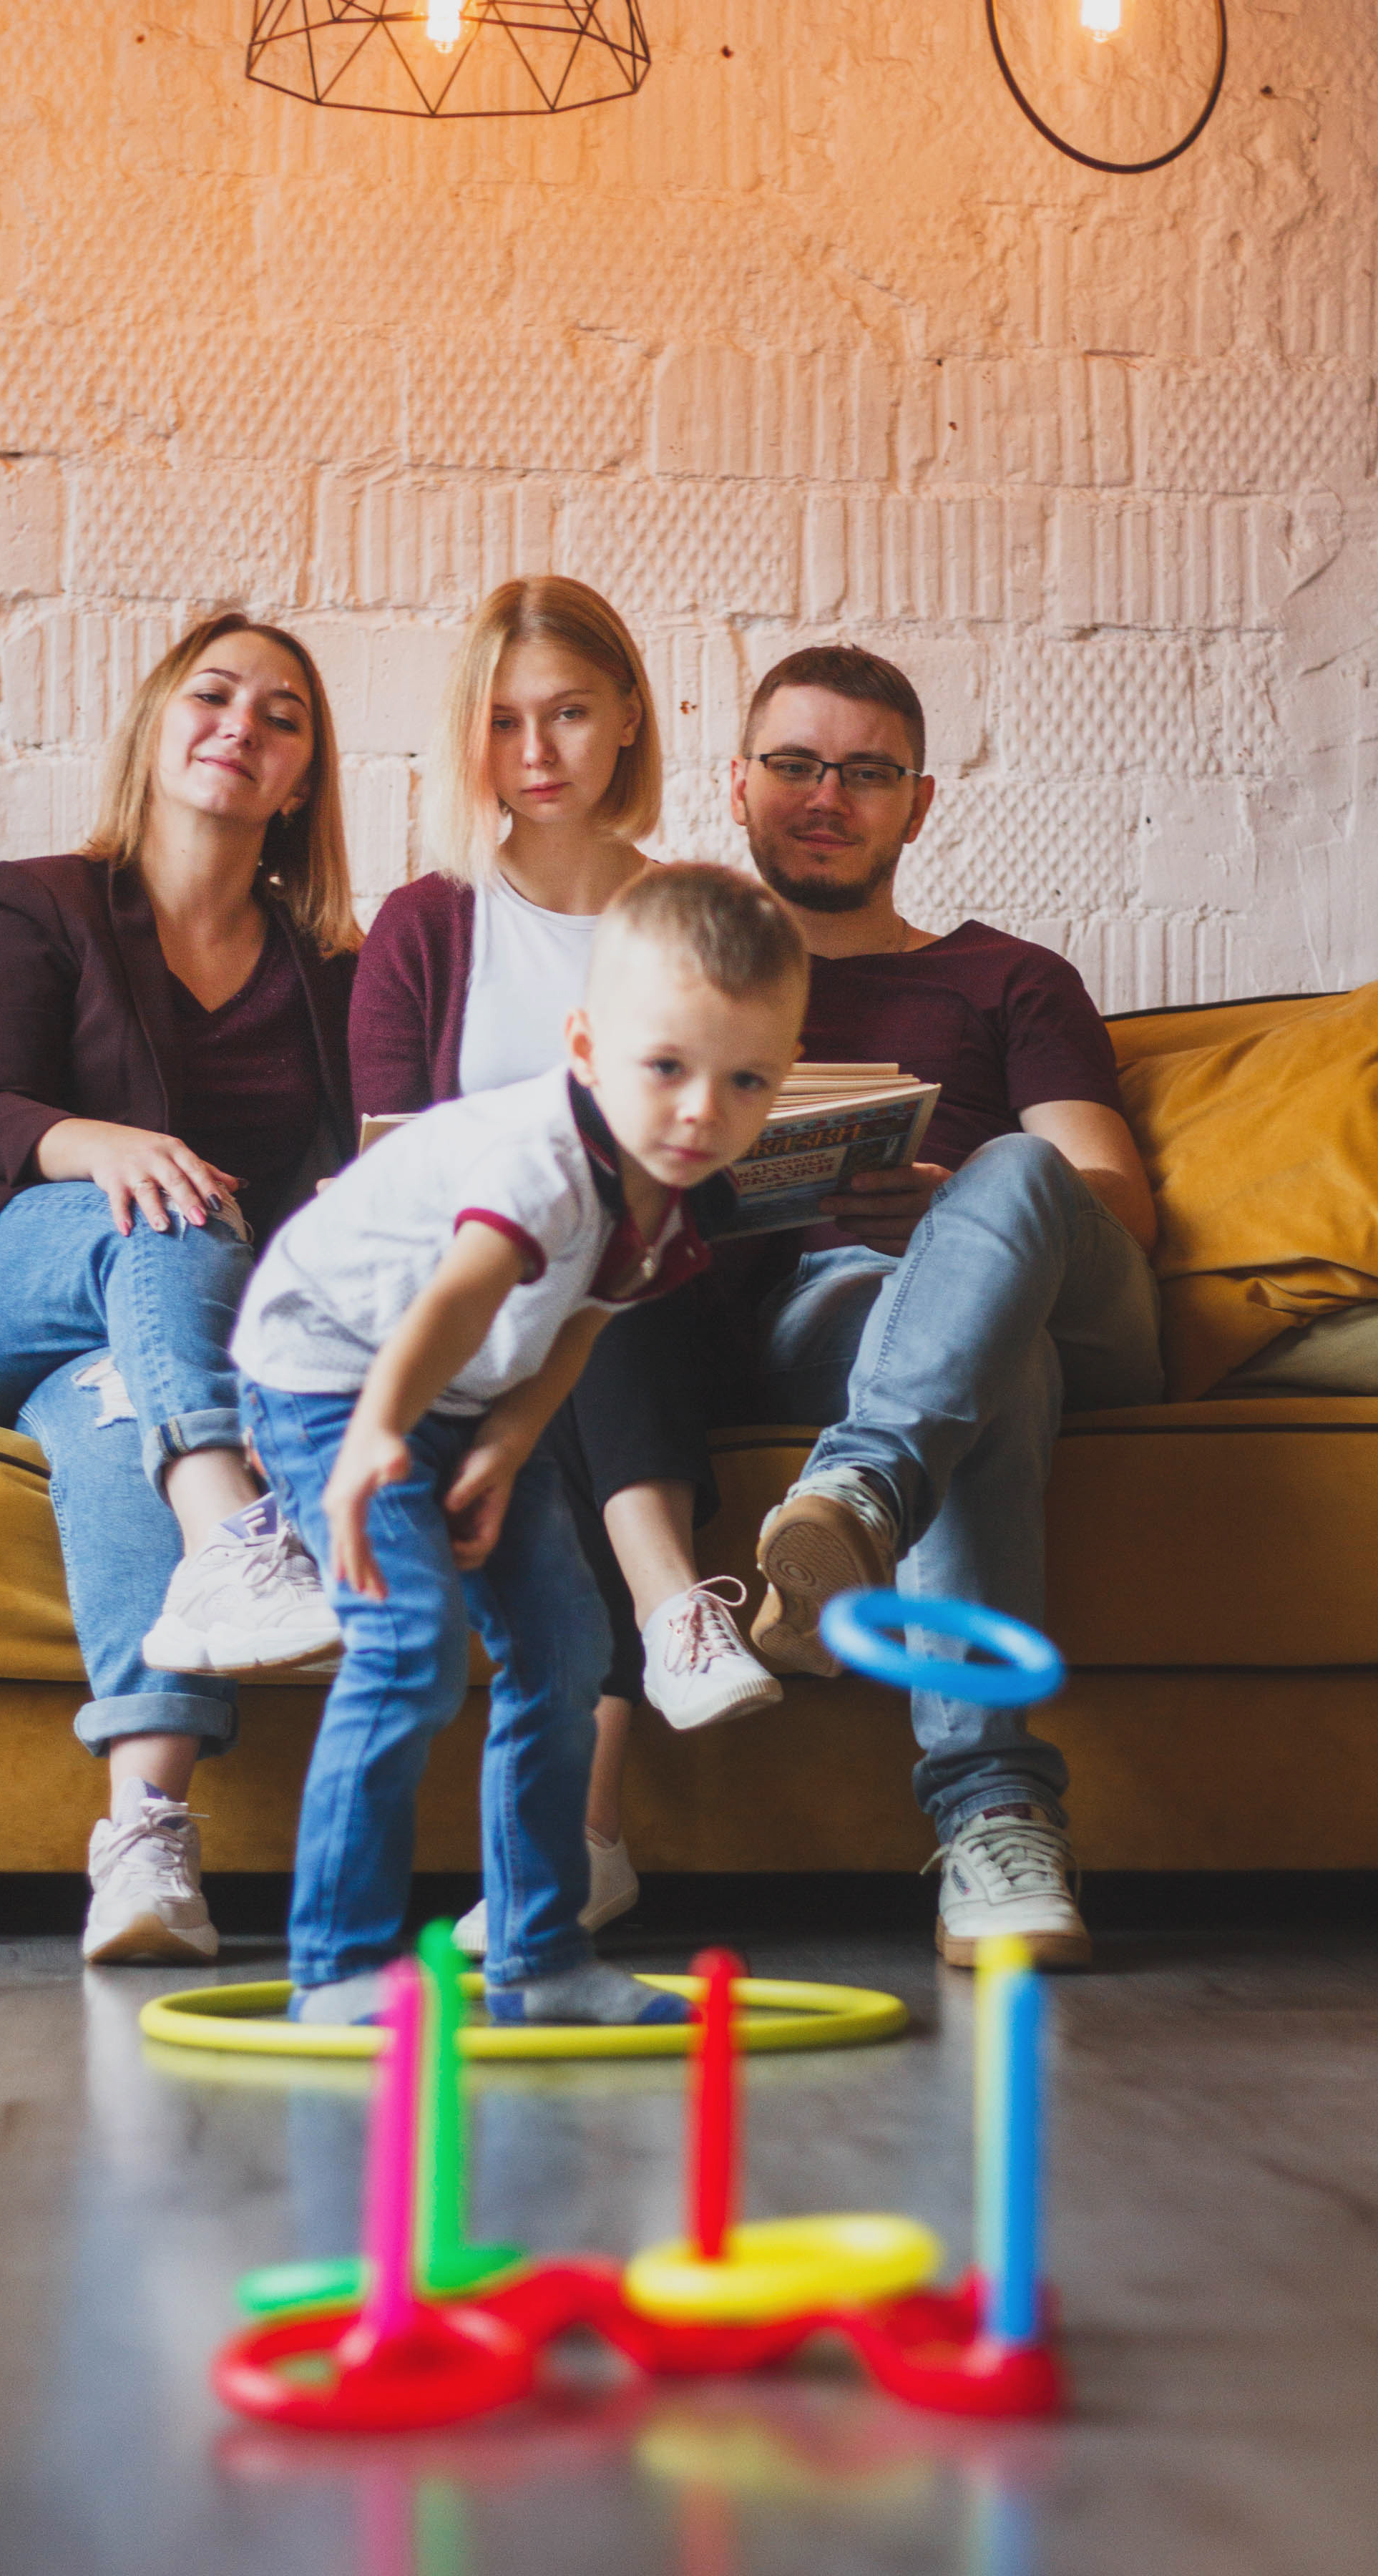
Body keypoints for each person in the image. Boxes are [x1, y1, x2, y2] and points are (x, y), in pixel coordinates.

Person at [544, 644, 1165, 1971]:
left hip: (1056, 1284)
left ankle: (864, 1495)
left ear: (919, 803)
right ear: (738, 784)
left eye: (866, 771)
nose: (827, 795)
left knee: (1019, 1172)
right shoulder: (684, 985)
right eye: (795, 764)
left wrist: (956, 1209)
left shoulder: (1011, 978)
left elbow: (1114, 1195)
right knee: (994, 1374)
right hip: (824, 1327)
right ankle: (995, 1813)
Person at [233, 864, 810, 2025]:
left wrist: (502, 1449)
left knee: (565, 1649)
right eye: (668, 1068)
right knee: (407, 1647)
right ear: (587, 1046)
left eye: (746, 1080)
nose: (704, 1111)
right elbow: (453, 1303)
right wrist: (372, 1448)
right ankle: (333, 1968)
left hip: (464, 1387)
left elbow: (581, 1324)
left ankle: (540, 1961)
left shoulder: (666, 1185)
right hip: (335, 1369)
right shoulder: (543, 1165)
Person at [0, 614, 359, 1965]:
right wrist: (106, 1148)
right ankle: (231, 1537)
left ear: (303, 778)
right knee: (167, 1202)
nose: (241, 727)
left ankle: (146, 1841)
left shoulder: (330, 970)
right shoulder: (33, 902)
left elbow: (344, 1185)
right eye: (212, 695)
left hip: (138, 1338)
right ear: (154, 722)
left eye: (282, 717)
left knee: (112, 1419)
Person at [350, 577, 778, 1955]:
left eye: (570, 714)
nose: (536, 753)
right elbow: (384, 1157)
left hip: (673, 1294)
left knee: (613, 1250)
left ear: (629, 719)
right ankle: (666, 1643)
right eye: (505, 721)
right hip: (473, 1298)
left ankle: (584, 1829)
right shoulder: (428, 925)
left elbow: (733, 1140)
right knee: (572, 1250)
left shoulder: (700, 916)